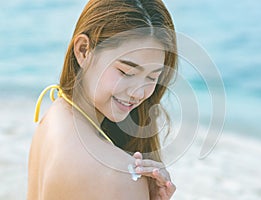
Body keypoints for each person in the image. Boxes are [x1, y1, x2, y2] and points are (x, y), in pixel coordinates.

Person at [27, 0, 178, 199]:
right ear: (83, 50)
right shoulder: (120, 175)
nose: (138, 93)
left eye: (152, 77)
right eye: (126, 72)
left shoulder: (54, 117)